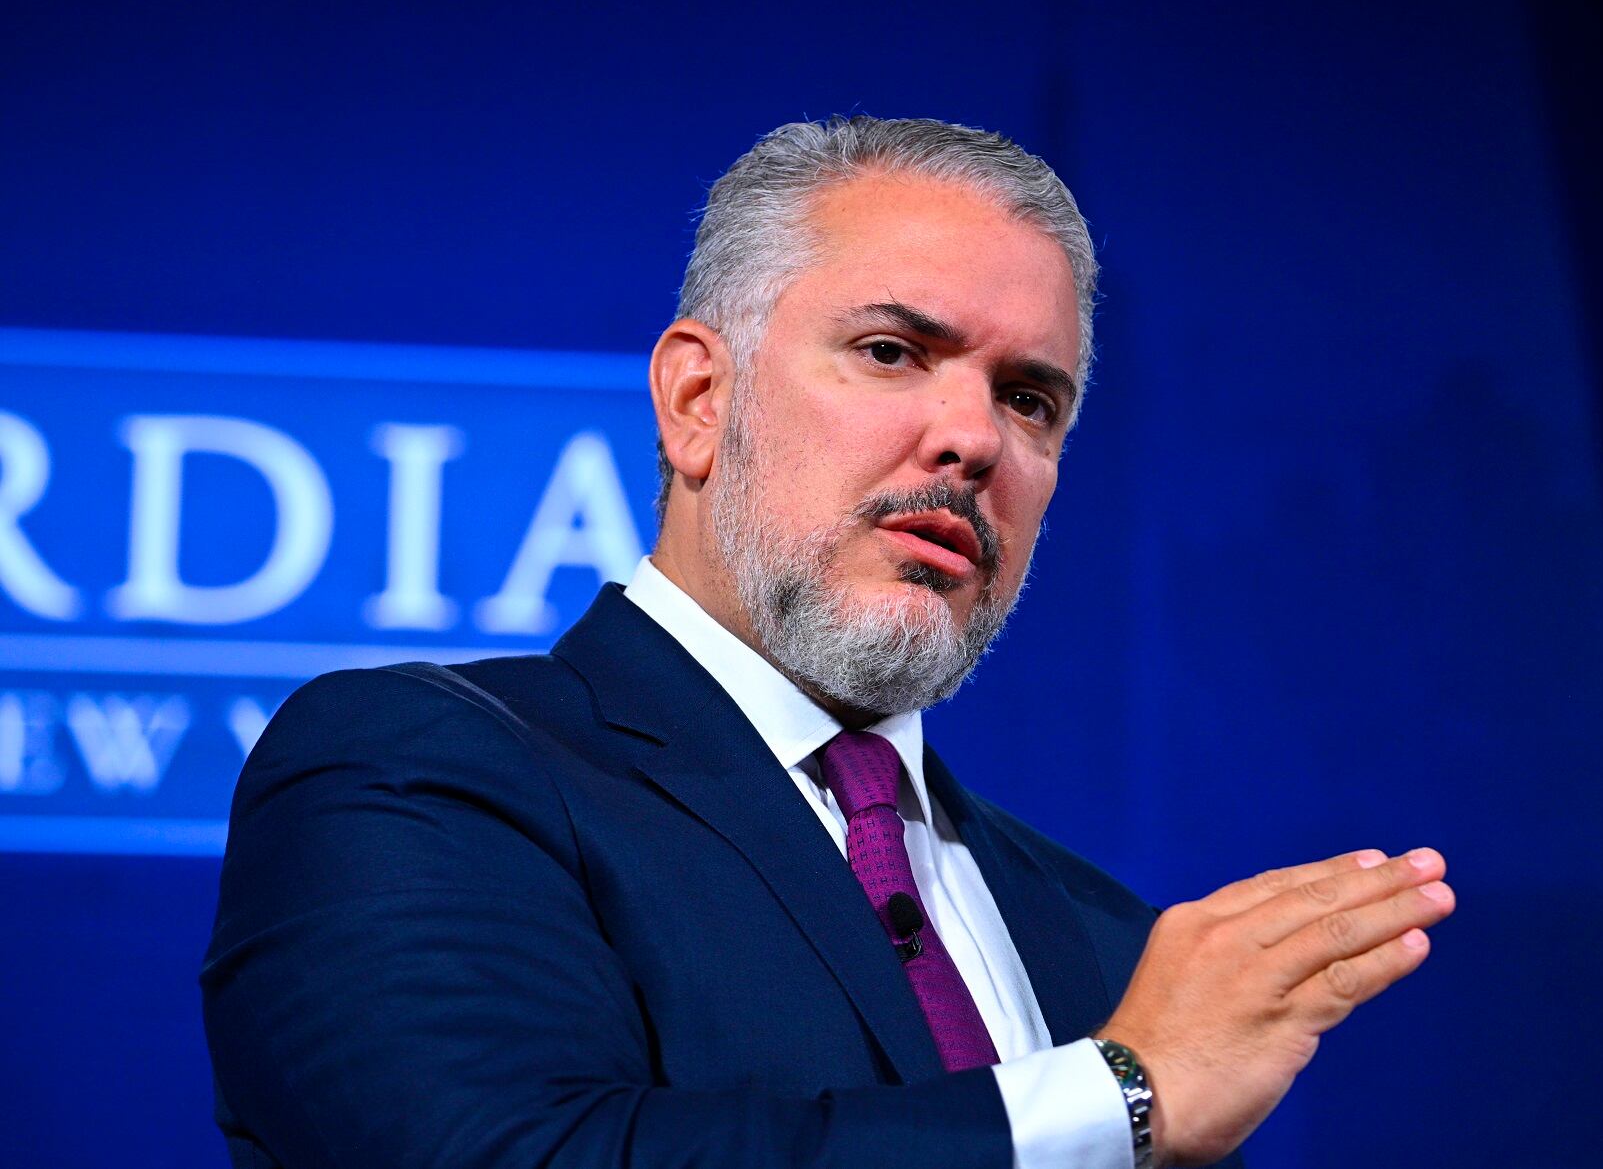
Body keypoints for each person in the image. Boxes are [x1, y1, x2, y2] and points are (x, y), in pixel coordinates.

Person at [200, 116, 1455, 1168]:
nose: (971, 439)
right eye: (890, 351)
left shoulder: (1102, 939)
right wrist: (1115, 1093)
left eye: (1030, 399)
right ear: (700, 400)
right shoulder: (417, 768)